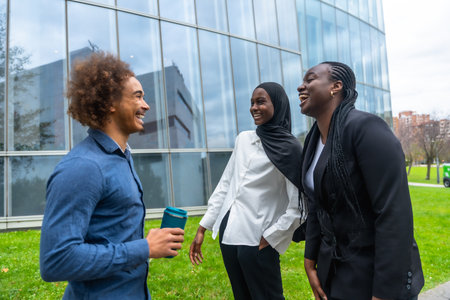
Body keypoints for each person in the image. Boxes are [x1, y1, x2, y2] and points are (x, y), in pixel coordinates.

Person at [40, 52, 185, 299]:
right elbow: (56, 260)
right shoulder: (83, 167)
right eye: (138, 96)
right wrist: (145, 248)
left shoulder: (122, 157)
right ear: (110, 103)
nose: (146, 105)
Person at [297, 61, 424, 300]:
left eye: (309, 79)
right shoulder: (313, 140)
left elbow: (394, 214)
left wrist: (384, 293)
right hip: (334, 272)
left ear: (336, 86)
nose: (300, 87)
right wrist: (310, 260)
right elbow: (316, 204)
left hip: (373, 274)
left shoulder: (367, 129)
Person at [189, 82, 306, 300]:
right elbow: (226, 184)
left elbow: (299, 206)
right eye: (252, 102)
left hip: (258, 241)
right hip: (228, 236)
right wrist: (203, 227)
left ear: (278, 105)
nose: (254, 107)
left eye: (261, 101)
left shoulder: (290, 149)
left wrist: (271, 237)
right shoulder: (243, 139)